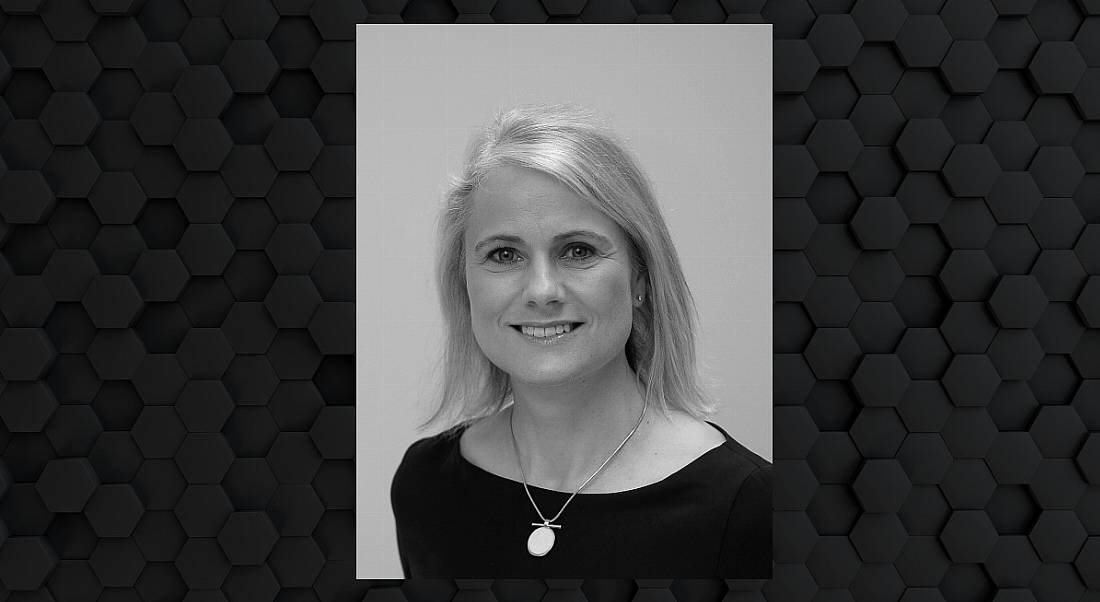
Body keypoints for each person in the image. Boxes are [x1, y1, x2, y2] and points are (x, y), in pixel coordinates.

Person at [390, 103, 771, 577]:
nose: (542, 291)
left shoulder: (749, 507)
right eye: (505, 254)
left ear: (641, 278)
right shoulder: (425, 484)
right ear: (464, 284)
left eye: (578, 250)